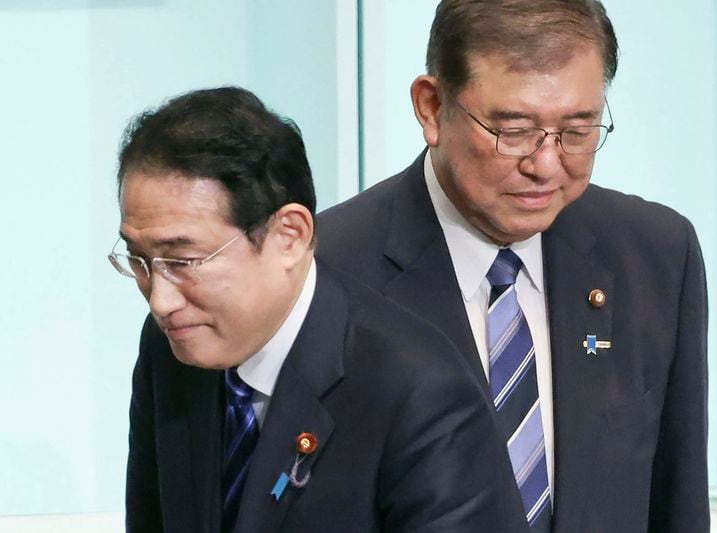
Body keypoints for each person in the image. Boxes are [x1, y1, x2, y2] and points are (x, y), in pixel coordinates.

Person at [316, 1, 709, 531]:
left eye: (577, 130)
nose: (545, 165)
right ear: (431, 108)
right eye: (515, 130)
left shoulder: (655, 255)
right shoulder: (326, 273)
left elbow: (675, 497)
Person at [109, 87, 529, 533]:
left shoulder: (419, 390)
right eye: (138, 260)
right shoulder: (170, 348)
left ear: (289, 236)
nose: (161, 301)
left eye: (183, 262)